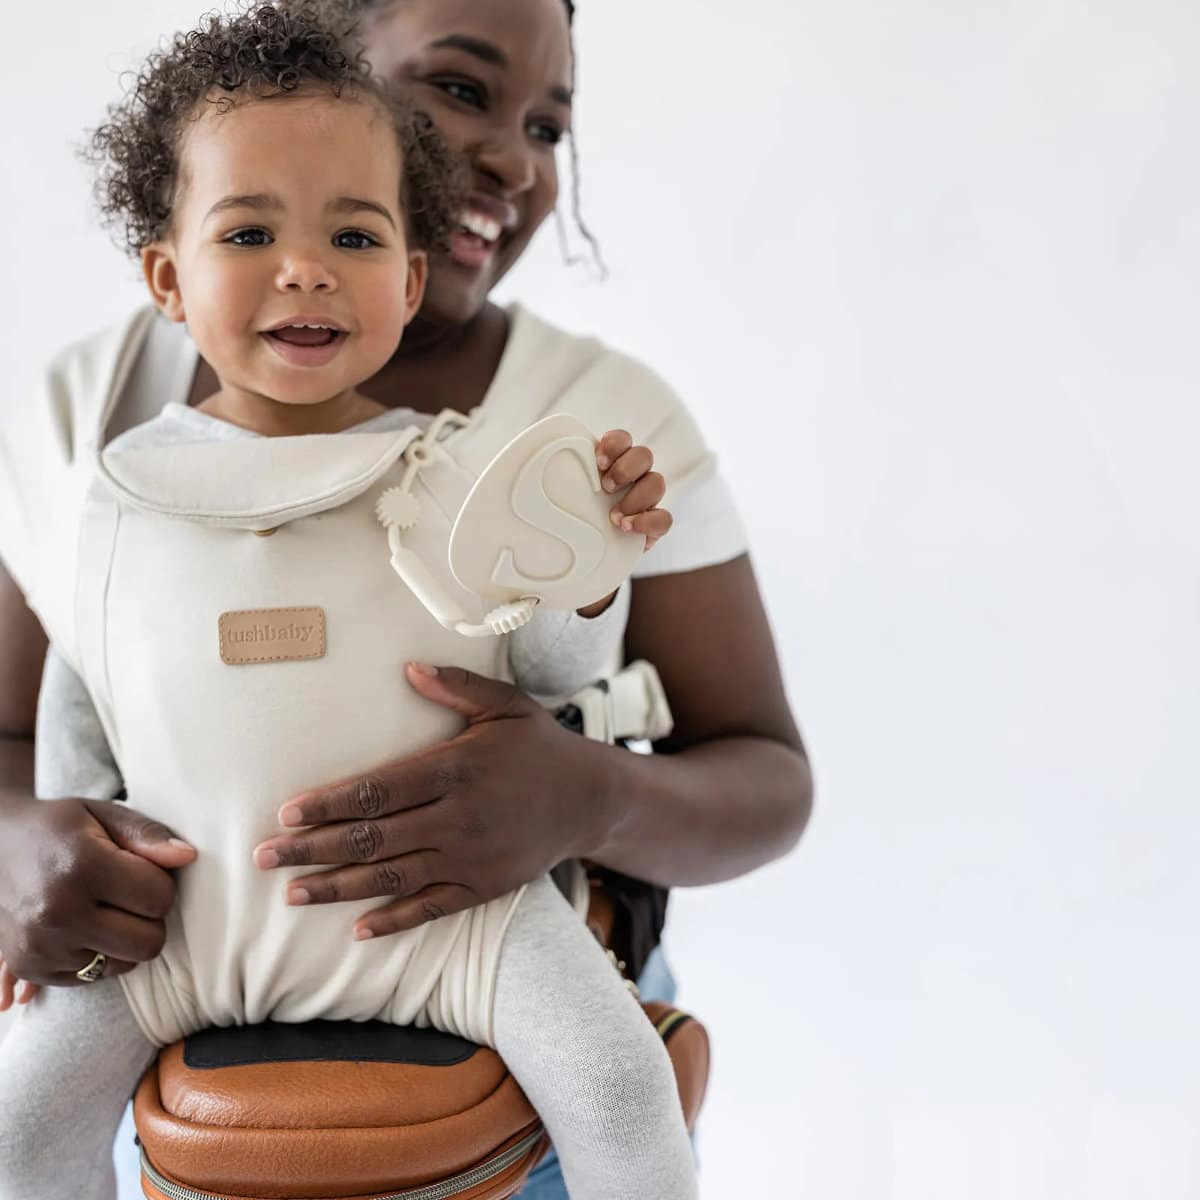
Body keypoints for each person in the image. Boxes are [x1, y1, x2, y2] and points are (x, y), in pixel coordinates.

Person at [0, 0, 813, 1195]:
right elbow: (60, 707)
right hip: (183, 969)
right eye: (460, 88)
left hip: (483, 982)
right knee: (19, 1124)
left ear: (406, 264)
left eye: (548, 125)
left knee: (618, 1091)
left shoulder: (528, 455)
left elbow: (722, 751)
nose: (513, 160)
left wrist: (588, 784)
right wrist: (22, 844)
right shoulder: (98, 442)